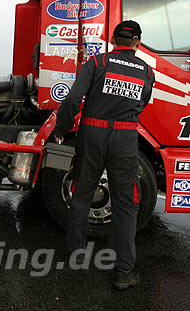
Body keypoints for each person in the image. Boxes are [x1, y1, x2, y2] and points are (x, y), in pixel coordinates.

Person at [53, 20, 154, 290]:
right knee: (126, 203)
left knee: (82, 192)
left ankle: (75, 253)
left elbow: (73, 99)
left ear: (113, 39)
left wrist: (61, 129)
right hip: (124, 138)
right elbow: (142, 103)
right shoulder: (146, 71)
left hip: (92, 134)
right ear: (137, 43)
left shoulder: (97, 63)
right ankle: (124, 272)